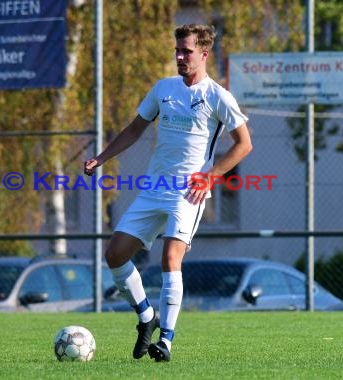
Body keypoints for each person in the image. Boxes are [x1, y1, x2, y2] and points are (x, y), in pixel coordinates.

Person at [84, 24, 252, 362]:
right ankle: (147, 318)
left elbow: (244, 145)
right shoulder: (163, 89)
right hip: (153, 187)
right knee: (115, 254)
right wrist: (101, 158)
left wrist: (210, 176)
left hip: (187, 193)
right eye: (177, 50)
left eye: (186, 51)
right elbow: (134, 130)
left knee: (169, 258)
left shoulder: (218, 96)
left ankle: (167, 342)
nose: (179, 56)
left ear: (204, 54)